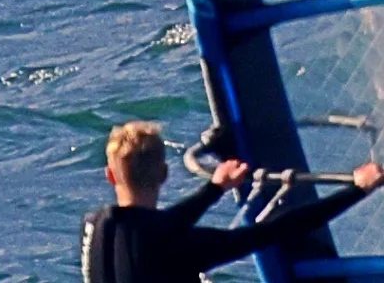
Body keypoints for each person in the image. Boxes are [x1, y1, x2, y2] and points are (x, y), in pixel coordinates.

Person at [81, 120, 383, 283]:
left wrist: (215, 188)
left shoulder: (94, 227)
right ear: (164, 173)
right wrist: (357, 189)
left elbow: (154, 228)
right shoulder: (175, 246)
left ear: (110, 175)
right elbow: (274, 231)